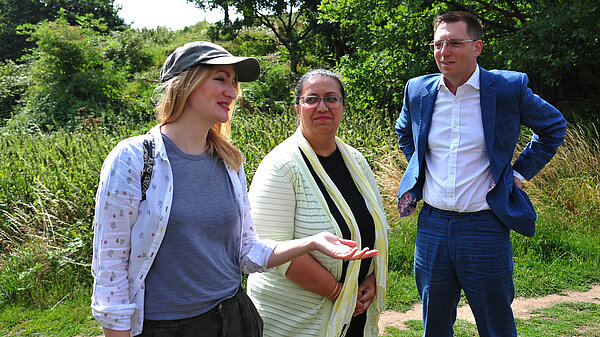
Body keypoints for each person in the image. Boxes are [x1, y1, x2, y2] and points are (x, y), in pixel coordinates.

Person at [90, 42, 378, 337]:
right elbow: (110, 268)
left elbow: (245, 251)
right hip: (166, 327)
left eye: (234, 82)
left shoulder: (229, 161)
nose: (232, 92)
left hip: (234, 318)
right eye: (220, 79)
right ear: (184, 83)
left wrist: (312, 242)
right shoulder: (134, 158)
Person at [395, 11, 567, 337]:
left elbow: (553, 127)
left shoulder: (506, 89)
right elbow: (405, 132)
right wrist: (420, 166)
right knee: (434, 326)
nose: (444, 52)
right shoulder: (418, 90)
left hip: (484, 226)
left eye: (455, 43)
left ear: (477, 47)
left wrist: (518, 174)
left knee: (496, 326)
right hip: (432, 226)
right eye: (438, 44)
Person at [246, 69, 389, 337]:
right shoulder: (281, 166)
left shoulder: (356, 161)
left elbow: (373, 224)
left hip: (354, 306)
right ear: (297, 108)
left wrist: (368, 277)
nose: (322, 106)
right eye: (312, 99)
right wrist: (339, 291)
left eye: (331, 98)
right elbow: (271, 249)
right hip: (298, 317)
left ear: (342, 108)